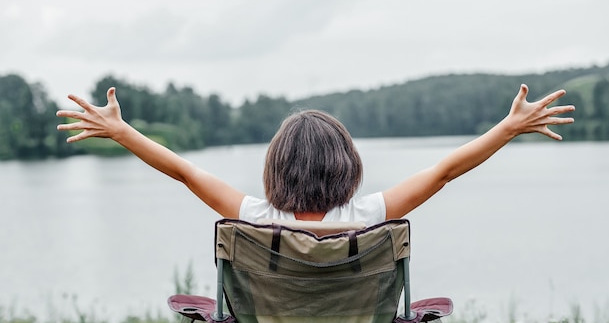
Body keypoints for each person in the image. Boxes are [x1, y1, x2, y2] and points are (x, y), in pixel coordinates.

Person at [56, 84, 574, 226]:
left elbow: (183, 171)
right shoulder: (367, 216)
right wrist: (508, 128)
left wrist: (123, 133)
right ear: (347, 166)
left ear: (275, 168)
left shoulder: (255, 219)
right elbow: (445, 172)